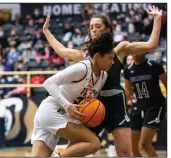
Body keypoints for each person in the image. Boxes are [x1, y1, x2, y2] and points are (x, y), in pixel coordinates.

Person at [42, 5, 162, 156]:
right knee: (75, 150)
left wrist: (157, 19)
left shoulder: (120, 48)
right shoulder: (86, 54)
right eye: (91, 27)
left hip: (116, 102)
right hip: (92, 103)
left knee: (125, 153)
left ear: (107, 30)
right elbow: (61, 51)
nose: (93, 30)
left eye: (98, 26)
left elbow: (152, 44)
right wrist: (46, 32)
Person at [31, 32, 114, 157]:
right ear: (97, 56)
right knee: (94, 143)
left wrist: (89, 98)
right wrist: (67, 105)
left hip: (58, 114)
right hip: (53, 110)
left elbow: (86, 100)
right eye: (110, 58)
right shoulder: (82, 68)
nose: (112, 62)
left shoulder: (103, 76)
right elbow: (48, 83)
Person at [123, 53, 166, 156]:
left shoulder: (154, 65)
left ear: (145, 51)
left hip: (155, 106)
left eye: (139, 51)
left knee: (145, 143)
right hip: (138, 107)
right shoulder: (128, 70)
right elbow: (128, 92)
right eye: (133, 51)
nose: (135, 54)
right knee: (133, 145)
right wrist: (122, 108)